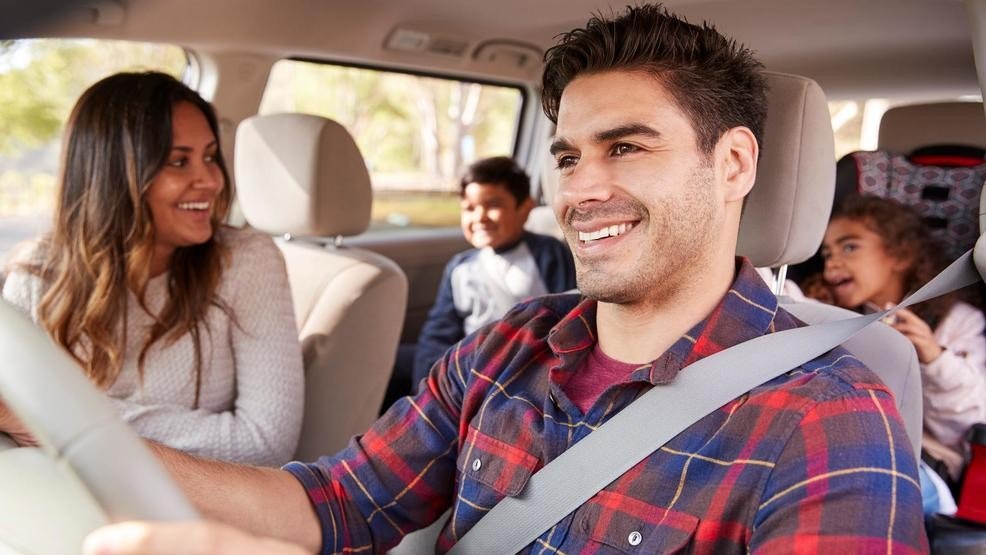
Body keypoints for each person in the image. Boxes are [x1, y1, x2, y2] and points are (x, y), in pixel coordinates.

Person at [81, 6, 927, 554]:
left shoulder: (825, 419)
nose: (581, 189)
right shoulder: (505, 349)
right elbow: (340, 500)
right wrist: (84, 439)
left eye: (626, 146)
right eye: (567, 155)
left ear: (734, 161)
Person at [1, 71, 304, 466]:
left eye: (210, 157)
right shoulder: (37, 277)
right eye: (180, 161)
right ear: (113, 176)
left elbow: (265, 442)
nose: (211, 180)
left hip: (199, 513)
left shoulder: (245, 261)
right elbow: (12, 421)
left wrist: (68, 420)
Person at [816, 194, 986, 483]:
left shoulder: (956, 321)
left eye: (849, 247)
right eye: (827, 254)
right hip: (844, 446)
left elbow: (972, 420)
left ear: (900, 255)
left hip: (925, 463)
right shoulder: (829, 317)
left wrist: (934, 358)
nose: (832, 264)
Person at [412, 156, 576, 383]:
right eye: (469, 208)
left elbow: (568, 318)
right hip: (469, 369)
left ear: (525, 208)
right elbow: (437, 334)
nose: (479, 217)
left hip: (526, 366)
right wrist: (428, 382)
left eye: (493, 205)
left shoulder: (548, 253)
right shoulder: (459, 267)